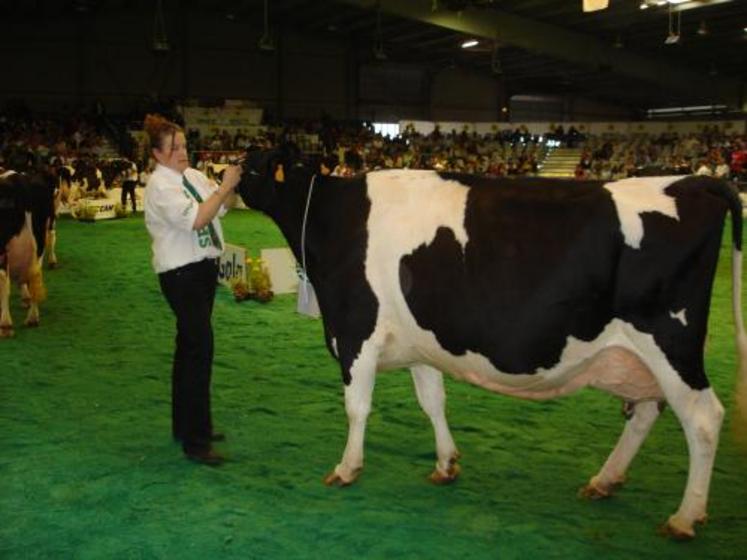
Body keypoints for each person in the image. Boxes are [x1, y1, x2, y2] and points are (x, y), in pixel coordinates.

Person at [142, 113, 242, 466]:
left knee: (189, 347)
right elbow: (197, 218)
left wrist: (228, 189)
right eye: (174, 147)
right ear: (157, 153)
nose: (183, 151)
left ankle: (186, 425)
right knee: (199, 349)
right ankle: (196, 442)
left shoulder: (194, 176)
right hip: (180, 273)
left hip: (202, 269)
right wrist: (224, 188)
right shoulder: (160, 186)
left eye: (184, 145)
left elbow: (221, 210)